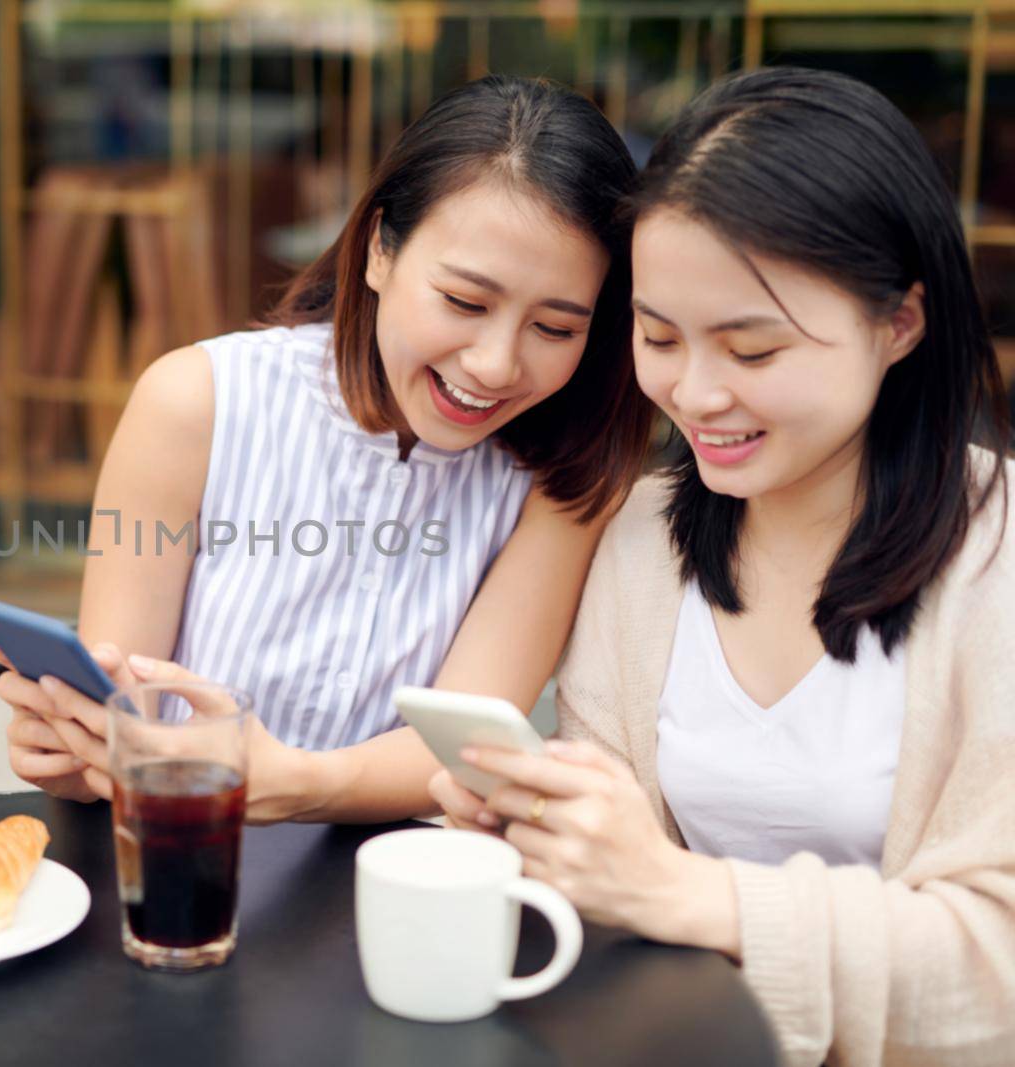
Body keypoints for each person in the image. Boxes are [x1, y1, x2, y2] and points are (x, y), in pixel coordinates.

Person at [431, 67, 1015, 1064]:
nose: (693, 393)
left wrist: (682, 888)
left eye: (750, 350)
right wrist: (531, 833)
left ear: (899, 323)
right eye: (657, 336)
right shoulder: (643, 538)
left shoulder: (994, 556)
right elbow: (609, 888)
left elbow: (994, 964)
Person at [0, 75, 652, 823]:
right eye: (465, 302)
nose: (497, 364)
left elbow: (464, 745)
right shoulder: (194, 404)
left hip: (384, 896)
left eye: (556, 328)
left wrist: (291, 779)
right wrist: (71, 751)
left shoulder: (561, 478)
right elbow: (115, 720)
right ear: (377, 251)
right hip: (180, 864)